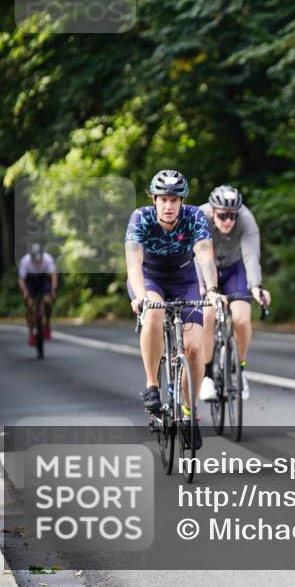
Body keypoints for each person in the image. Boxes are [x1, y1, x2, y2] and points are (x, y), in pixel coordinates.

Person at [124, 170, 223, 449]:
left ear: (182, 202)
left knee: (193, 350)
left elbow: (204, 253)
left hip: (184, 280)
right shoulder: (140, 218)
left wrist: (213, 291)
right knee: (153, 313)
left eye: (175, 200)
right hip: (150, 278)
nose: (169, 206)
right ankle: (152, 385)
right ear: (154, 199)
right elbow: (134, 262)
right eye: (164, 199)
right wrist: (141, 296)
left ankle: (189, 413)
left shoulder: (194, 217)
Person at [198, 185, 271, 402]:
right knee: (207, 315)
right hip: (205, 269)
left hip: (233, 269)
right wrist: (202, 287)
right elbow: (196, 253)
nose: (228, 220)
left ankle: (239, 370)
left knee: (241, 320)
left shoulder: (246, 220)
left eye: (232, 215)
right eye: (222, 215)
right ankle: (208, 376)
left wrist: (256, 286)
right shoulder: (200, 217)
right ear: (213, 212)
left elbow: (250, 256)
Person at [17, 243, 58, 346]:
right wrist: (25, 292)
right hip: (31, 281)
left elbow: (53, 275)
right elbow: (21, 280)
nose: (37, 261)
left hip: (43, 280)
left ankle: (47, 324)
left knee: (48, 301)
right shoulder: (25, 261)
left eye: (38, 259)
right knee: (29, 305)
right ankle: (31, 334)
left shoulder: (47, 259)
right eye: (35, 259)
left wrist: (53, 290)